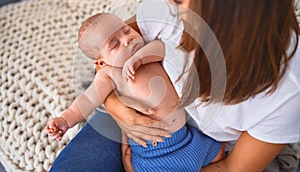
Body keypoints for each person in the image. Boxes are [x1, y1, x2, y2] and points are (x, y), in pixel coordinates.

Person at [50, 0, 300, 171]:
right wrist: (120, 110)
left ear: (227, 13)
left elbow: (232, 167)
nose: (167, 4)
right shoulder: (166, 12)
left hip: (203, 146)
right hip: (139, 123)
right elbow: (106, 56)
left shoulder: (288, 92)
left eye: (177, 0)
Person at [45, 12, 224, 171]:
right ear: (101, 62)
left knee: (219, 152)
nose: (127, 40)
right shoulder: (109, 74)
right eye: (115, 44)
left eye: (125, 30)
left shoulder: (148, 49)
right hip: (153, 154)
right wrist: (66, 119)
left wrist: (139, 58)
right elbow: (88, 99)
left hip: (187, 139)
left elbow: (162, 50)